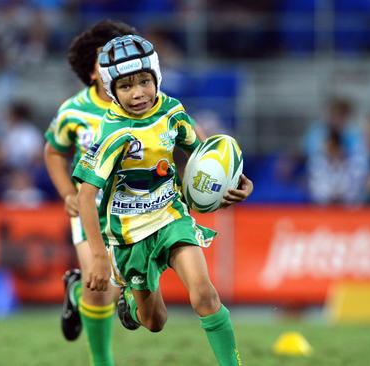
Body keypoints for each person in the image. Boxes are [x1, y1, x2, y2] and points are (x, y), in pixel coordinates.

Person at [73, 35, 252, 366]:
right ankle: (127, 293)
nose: (139, 92)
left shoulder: (172, 111)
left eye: (144, 81)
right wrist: (98, 256)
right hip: (128, 235)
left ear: (156, 77)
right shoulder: (111, 133)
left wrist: (236, 182)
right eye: (126, 86)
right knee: (155, 322)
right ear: (113, 90)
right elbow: (85, 197)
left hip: (171, 217)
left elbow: (202, 156)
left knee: (204, 294)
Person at [44, 20, 136, 366]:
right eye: (103, 59)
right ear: (91, 70)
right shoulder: (74, 110)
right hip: (92, 209)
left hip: (139, 207)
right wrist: (67, 191)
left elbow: (190, 136)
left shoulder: (144, 100)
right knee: (101, 293)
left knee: (118, 293)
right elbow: (53, 151)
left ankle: (75, 289)